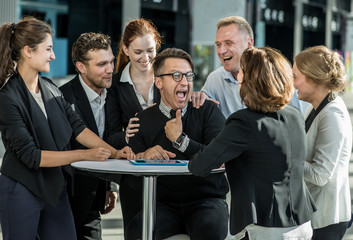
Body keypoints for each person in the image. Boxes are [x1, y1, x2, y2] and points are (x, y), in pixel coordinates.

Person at [0, 17, 134, 240]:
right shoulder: (7, 98)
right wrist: (84, 154)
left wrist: (114, 152)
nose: (53, 55)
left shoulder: (51, 89)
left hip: (54, 187)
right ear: (28, 51)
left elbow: (78, 129)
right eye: (48, 49)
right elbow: (31, 156)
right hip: (20, 188)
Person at [189, 46, 316, 240]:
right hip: (302, 222)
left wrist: (181, 142)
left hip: (267, 227)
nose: (238, 76)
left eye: (241, 72)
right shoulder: (295, 115)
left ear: (251, 79)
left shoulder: (244, 122)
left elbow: (200, 165)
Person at [127, 48, 229, 240]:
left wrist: (182, 141)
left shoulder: (207, 111)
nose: (184, 82)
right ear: (158, 82)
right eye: (176, 75)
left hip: (207, 201)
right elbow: (131, 179)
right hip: (162, 204)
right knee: (137, 230)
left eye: (188, 76)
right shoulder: (141, 120)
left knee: (210, 229)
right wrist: (143, 158)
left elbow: (221, 158)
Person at [59, 32, 124, 240]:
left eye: (112, 62)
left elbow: (112, 138)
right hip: (63, 201)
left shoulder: (114, 94)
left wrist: (110, 184)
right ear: (81, 67)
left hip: (94, 201)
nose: (110, 70)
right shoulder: (62, 98)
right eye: (102, 64)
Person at [105, 18, 162, 235]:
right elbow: (110, 136)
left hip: (169, 169)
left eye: (150, 50)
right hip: (134, 176)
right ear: (125, 49)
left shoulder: (168, 76)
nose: (145, 58)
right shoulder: (115, 86)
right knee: (135, 232)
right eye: (138, 51)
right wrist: (125, 136)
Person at [191, 16, 307, 118]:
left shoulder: (276, 77)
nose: (221, 51)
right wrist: (198, 98)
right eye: (218, 45)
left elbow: (298, 122)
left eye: (229, 43)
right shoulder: (215, 80)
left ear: (249, 44)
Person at [293, 45, 352, 240]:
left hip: (327, 217)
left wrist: (285, 157)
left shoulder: (332, 114)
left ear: (313, 79)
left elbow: (320, 175)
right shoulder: (316, 106)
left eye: (296, 77)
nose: (293, 84)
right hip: (316, 214)